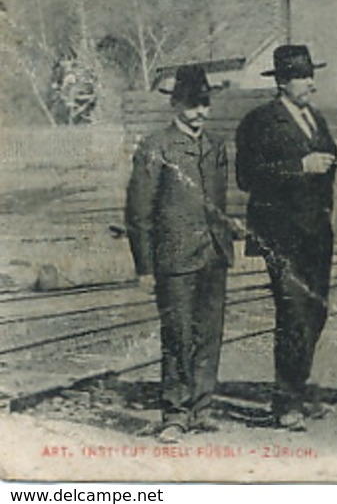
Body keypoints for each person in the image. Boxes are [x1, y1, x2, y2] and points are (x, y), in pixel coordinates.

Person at [126, 65, 240, 443]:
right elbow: (139, 212)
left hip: (213, 254)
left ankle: (201, 408)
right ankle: (175, 414)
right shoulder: (155, 146)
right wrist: (145, 266)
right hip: (173, 259)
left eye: (204, 103)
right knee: (177, 335)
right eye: (191, 104)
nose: (199, 112)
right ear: (176, 104)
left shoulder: (216, 146)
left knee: (209, 334)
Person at [235, 44, 337, 430]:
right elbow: (248, 177)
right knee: (292, 313)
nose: (309, 82)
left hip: (317, 234)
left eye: (311, 74)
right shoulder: (259, 121)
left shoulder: (317, 119)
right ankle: (285, 402)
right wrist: (300, 166)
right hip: (280, 234)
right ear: (281, 82)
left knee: (317, 311)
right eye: (300, 76)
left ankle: (299, 385)